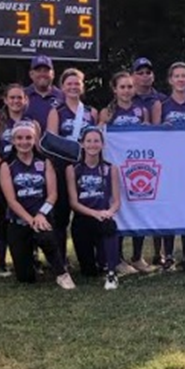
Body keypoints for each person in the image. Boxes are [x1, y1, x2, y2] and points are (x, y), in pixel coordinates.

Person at [0, 121, 75, 289]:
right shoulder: (6, 165)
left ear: (35, 140)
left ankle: (61, 273)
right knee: (25, 278)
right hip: (19, 221)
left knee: (45, 235)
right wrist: (30, 220)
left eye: (28, 138)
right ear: (13, 140)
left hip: (42, 217)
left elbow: (53, 194)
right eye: (19, 138)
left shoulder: (45, 162)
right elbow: (11, 200)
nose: (24, 142)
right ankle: (30, 261)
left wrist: (40, 215)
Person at [98, 71, 156, 274]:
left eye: (130, 87)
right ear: (115, 89)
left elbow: (148, 138)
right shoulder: (107, 112)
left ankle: (138, 256)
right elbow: (100, 140)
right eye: (122, 87)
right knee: (119, 211)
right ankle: (118, 258)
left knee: (139, 208)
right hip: (115, 169)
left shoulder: (141, 110)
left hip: (138, 167)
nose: (126, 90)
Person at [152, 62, 185, 272]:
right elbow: (152, 138)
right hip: (167, 167)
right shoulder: (161, 105)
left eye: (184, 76)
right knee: (168, 209)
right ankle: (168, 256)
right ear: (170, 80)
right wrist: (160, 130)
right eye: (177, 76)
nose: (181, 79)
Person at [46, 68, 99, 270]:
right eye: (69, 83)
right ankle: (61, 259)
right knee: (60, 216)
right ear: (62, 87)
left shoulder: (90, 112)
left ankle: (89, 257)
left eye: (77, 83)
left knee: (86, 213)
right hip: (62, 167)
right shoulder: (56, 111)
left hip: (85, 169)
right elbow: (51, 141)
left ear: (82, 86)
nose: (73, 87)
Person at [67, 127, 124, 290]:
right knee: (89, 272)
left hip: (103, 219)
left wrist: (109, 212)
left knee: (110, 226)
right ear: (82, 144)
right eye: (89, 141)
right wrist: (94, 213)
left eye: (96, 141)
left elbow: (116, 201)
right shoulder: (73, 169)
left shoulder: (110, 168)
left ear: (102, 144)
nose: (93, 145)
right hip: (82, 220)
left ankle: (112, 274)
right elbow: (73, 203)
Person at [0, 84, 34, 277]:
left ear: (25, 100)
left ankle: (31, 258)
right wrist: (5, 168)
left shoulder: (31, 122)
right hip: (6, 176)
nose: (16, 101)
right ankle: (2, 262)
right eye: (12, 98)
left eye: (19, 98)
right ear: (5, 100)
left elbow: (36, 148)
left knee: (29, 215)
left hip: (29, 177)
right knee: (6, 219)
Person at [23, 55, 64, 130]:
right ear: (31, 74)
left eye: (46, 71)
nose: (42, 74)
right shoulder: (22, 95)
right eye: (38, 71)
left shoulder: (62, 96)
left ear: (53, 74)